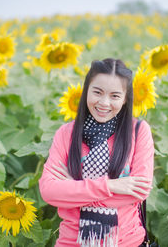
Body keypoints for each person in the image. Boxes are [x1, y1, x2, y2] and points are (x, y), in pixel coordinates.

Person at [39, 58, 154, 247]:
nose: (104, 103)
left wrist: (75, 190)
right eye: (97, 92)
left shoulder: (138, 131)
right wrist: (111, 186)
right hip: (71, 242)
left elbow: (139, 190)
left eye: (115, 96)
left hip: (127, 242)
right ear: (86, 91)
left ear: (125, 99)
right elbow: (49, 191)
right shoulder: (66, 134)